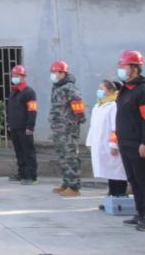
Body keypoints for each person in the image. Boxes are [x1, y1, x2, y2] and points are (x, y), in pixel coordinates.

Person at [114, 50, 145, 232]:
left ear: (134, 68)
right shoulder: (126, 89)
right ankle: (140, 213)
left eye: (124, 66)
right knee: (134, 180)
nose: (121, 69)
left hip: (139, 144)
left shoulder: (143, 91)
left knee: (144, 180)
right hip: (126, 142)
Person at [86, 80, 129, 204]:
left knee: (117, 172)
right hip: (100, 144)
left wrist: (114, 145)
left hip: (111, 146)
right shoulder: (98, 106)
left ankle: (119, 197)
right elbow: (93, 126)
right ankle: (112, 199)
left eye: (102, 88)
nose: (99, 91)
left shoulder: (114, 106)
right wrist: (90, 142)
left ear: (110, 91)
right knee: (110, 173)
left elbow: (115, 127)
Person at [49, 60, 86, 196]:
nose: (53, 75)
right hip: (58, 129)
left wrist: (77, 120)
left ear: (62, 73)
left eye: (55, 72)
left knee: (70, 157)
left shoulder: (69, 88)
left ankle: (74, 187)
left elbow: (78, 105)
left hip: (68, 128)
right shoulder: (57, 87)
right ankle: (66, 184)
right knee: (62, 157)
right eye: (52, 72)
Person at [6, 65, 38, 185]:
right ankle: (22, 174)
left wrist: (30, 126)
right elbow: (10, 109)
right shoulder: (13, 91)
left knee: (28, 152)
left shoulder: (29, 92)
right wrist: (9, 124)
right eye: (13, 75)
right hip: (15, 127)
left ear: (23, 77)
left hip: (25, 128)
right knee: (19, 152)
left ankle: (31, 176)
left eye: (17, 75)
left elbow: (32, 110)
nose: (14, 77)